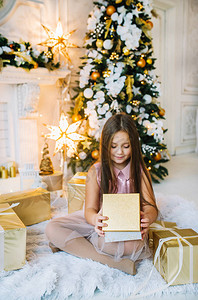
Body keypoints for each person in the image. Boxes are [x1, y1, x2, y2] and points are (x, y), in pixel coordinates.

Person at [45, 113, 158, 275]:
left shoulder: (139, 170)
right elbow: (89, 209)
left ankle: (74, 244)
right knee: (52, 227)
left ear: (133, 145)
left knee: (128, 246)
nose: (119, 152)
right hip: (98, 222)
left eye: (126, 146)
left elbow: (151, 206)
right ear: (105, 145)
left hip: (125, 226)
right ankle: (111, 262)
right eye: (113, 146)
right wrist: (95, 220)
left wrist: (147, 217)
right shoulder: (96, 171)